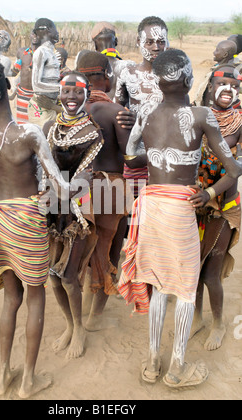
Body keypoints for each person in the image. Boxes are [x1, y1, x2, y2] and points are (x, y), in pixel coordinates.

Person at [0, 58, 87, 398]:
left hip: (0, 218)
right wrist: (86, 181)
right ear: (9, 87)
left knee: (10, 299)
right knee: (35, 298)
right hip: (28, 221)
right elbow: (58, 186)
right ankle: (28, 380)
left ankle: (2, 376)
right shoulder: (29, 133)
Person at [118, 49, 242, 388]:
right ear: (189, 79)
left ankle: (152, 362)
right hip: (180, 208)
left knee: (159, 284)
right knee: (186, 289)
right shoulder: (202, 115)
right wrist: (211, 194)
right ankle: (177, 368)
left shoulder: (145, 111)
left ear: (157, 82)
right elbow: (235, 168)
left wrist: (158, 156)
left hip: (151, 206)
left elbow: (130, 158)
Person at [76, 51, 144, 331]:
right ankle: (95, 315)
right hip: (112, 188)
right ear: (107, 75)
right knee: (109, 251)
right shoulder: (116, 112)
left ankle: (80, 305)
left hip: (78, 187)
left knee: (82, 248)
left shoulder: (71, 111)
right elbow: (131, 159)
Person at [42, 71, 103, 358]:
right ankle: (69, 325)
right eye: (66, 91)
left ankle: (79, 328)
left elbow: (88, 174)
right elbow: (40, 166)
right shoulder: (48, 128)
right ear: (59, 94)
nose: (71, 97)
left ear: (86, 94)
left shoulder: (93, 131)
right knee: (52, 275)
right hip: (52, 209)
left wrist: (69, 190)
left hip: (79, 211)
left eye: (77, 92)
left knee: (68, 276)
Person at [192, 64, 242, 351]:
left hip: (223, 206)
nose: (229, 91)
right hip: (193, 204)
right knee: (192, 269)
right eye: (223, 85)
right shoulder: (196, 117)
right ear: (210, 86)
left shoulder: (240, 122)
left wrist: (210, 192)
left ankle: (219, 324)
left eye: (235, 87)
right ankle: (197, 318)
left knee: (211, 272)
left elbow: (238, 168)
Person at [114, 16, 168, 197]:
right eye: (150, 42)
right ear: (138, 41)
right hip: (135, 155)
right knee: (134, 209)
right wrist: (124, 116)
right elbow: (116, 110)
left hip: (168, 158)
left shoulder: (174, 76)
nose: (156, 47)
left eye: (161, 41)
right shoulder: (128, 74)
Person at [28, 18, 61, 128]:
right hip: (41, 107)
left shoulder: (50, 52)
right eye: (55, 29)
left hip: (51, 105)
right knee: (44, 141)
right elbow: (36, 85)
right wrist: (61, 89)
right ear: (48, 30)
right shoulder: (41, 52)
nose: (57, 33)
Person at [91, 21, 133, 100]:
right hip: (123, 111)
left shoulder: (89, 67)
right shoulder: (129, 66)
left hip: (98, 111)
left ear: (95, 45)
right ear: (116, 41)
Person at [193, 39, 238, 108]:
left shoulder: (227, 73)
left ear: (225, 54)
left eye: (217, 50)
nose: (214, 53)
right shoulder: (218, 67)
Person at [9, 30, 41, 124]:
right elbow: (14, 72)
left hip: (37, 95)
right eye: (33, 34)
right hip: (22, 94)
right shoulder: (22, 52)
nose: (35, 36)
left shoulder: (44, 54)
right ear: (30, 36)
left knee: (36, 124)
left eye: (38, 34)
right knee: (22, 125)